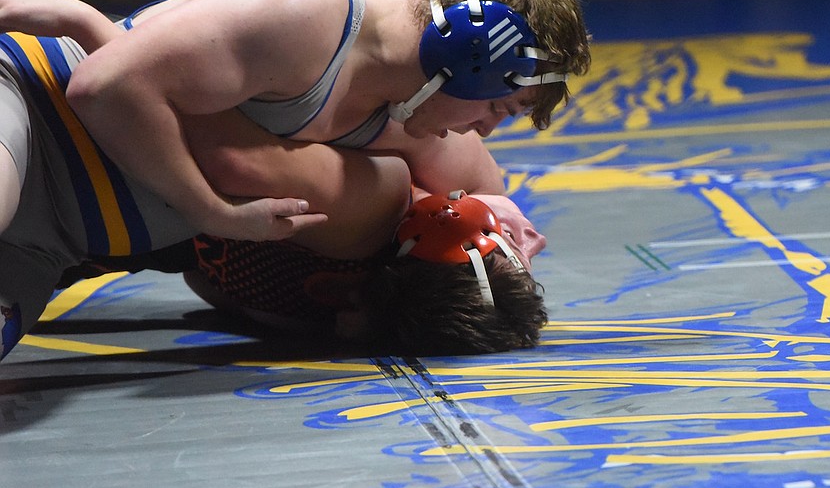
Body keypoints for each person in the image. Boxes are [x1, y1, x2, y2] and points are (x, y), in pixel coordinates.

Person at [61, 0, 591, 244]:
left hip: (89, 229)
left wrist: (497, 233)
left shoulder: (416, 115)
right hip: (50, 116)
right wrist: (212, 213)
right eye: (498, 107)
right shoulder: (302, 14)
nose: (485, 130)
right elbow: (105, 87)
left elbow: (487, 199)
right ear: (471, 57)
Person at [63, 190, 550, 356]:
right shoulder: (365, 208)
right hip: (119, 198)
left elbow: (200, 279)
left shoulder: (365, 213)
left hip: (121, 216)